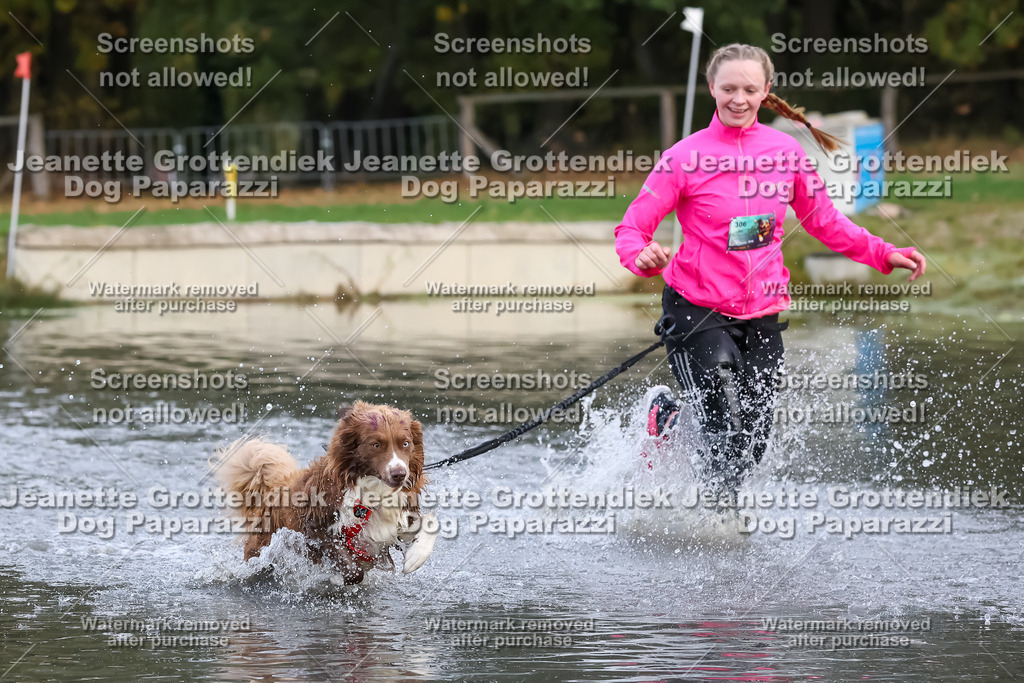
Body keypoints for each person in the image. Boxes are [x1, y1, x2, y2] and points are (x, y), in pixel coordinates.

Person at [614, 43, 926, 492]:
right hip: (695, 308)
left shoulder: (785, 152)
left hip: (760, 312)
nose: (738, 99)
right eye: (728, 89)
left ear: (766, 91)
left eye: (748, 89)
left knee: (753, 442)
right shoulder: (683, 157)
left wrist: (881, 252)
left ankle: (670, 423)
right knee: (725, 423)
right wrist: (640, 257)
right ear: (711, 88)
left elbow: (824, 220)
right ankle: (717, 519)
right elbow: (632, 228)